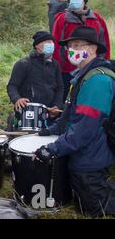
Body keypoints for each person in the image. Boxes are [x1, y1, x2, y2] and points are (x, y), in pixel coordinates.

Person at [34, 27, 115, 217]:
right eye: (70, 47)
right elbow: (69, 116)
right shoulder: (81, 76)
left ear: (93, 49)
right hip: (83, 151)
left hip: (92, 156)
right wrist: (49, 131)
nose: (72, 51)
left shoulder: (97, 81)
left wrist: (52, 148)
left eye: (78, 46)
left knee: (93, 208)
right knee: (79, 199)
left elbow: (85, 128)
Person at [52, 0, 110, 102]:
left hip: (93, 66)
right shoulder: (62, 19)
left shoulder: (97, 19)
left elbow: (105, 43)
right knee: (67, 99)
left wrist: (105, 63)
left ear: (84, 1)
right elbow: (56, 44)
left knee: (89, 97)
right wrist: (58, 67)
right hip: (67, 69)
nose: (75, 0)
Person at [6, 31, 63, 128]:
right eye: (46, 42)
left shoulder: (55, 65)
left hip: (49, 113)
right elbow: (12, 86)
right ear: (37, 45)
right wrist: (17, 99)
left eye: (51, 42)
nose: (50, 44)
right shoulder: (23, 64)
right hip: (28, 112)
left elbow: (60, 88)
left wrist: (57, 105)